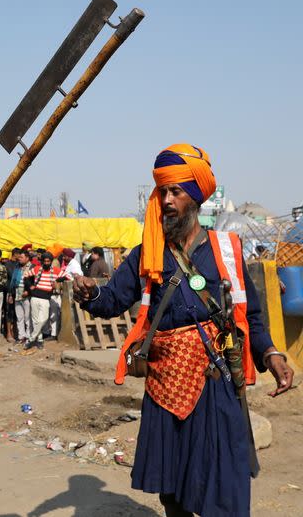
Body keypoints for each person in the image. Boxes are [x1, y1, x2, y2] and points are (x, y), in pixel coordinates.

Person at [73, 144, 294, 517]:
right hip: (164, 382)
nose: (168, 199)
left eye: (176, 191)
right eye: (163, 191)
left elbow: (250, 314)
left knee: (223, 482)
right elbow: (111, 301)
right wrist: (90, 292)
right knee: (172, 491)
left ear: (195, 195)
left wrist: (270, 353)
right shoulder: (148, 252)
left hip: (216, 379)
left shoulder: (227, 249)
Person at [24, 251, 58, 350]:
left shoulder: (55, 270)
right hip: (35, 297)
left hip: (45, 298)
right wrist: (30, 286)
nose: (46, 263)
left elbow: (67, 276)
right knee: (35, 320)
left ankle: (31, 339)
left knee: (43, 319)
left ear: (51, 261)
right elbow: (26, 276)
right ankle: (39, 340)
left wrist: (57, 281)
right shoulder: (37, 268)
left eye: (48, 261)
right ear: (42, 261)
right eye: (45, 261)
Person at [7, 249, 32, 343]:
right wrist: (10, 295)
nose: (19, 259)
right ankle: (21, 337)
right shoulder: (17, 267)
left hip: (27, 296)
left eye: (21, 257)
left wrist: (28, 291)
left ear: (27, 258)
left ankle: (29, 337)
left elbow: (34, 283)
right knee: (19, 317)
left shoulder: (32, 267)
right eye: (19, 257)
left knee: (27, 317)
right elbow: (13, 281)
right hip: (17, 294)